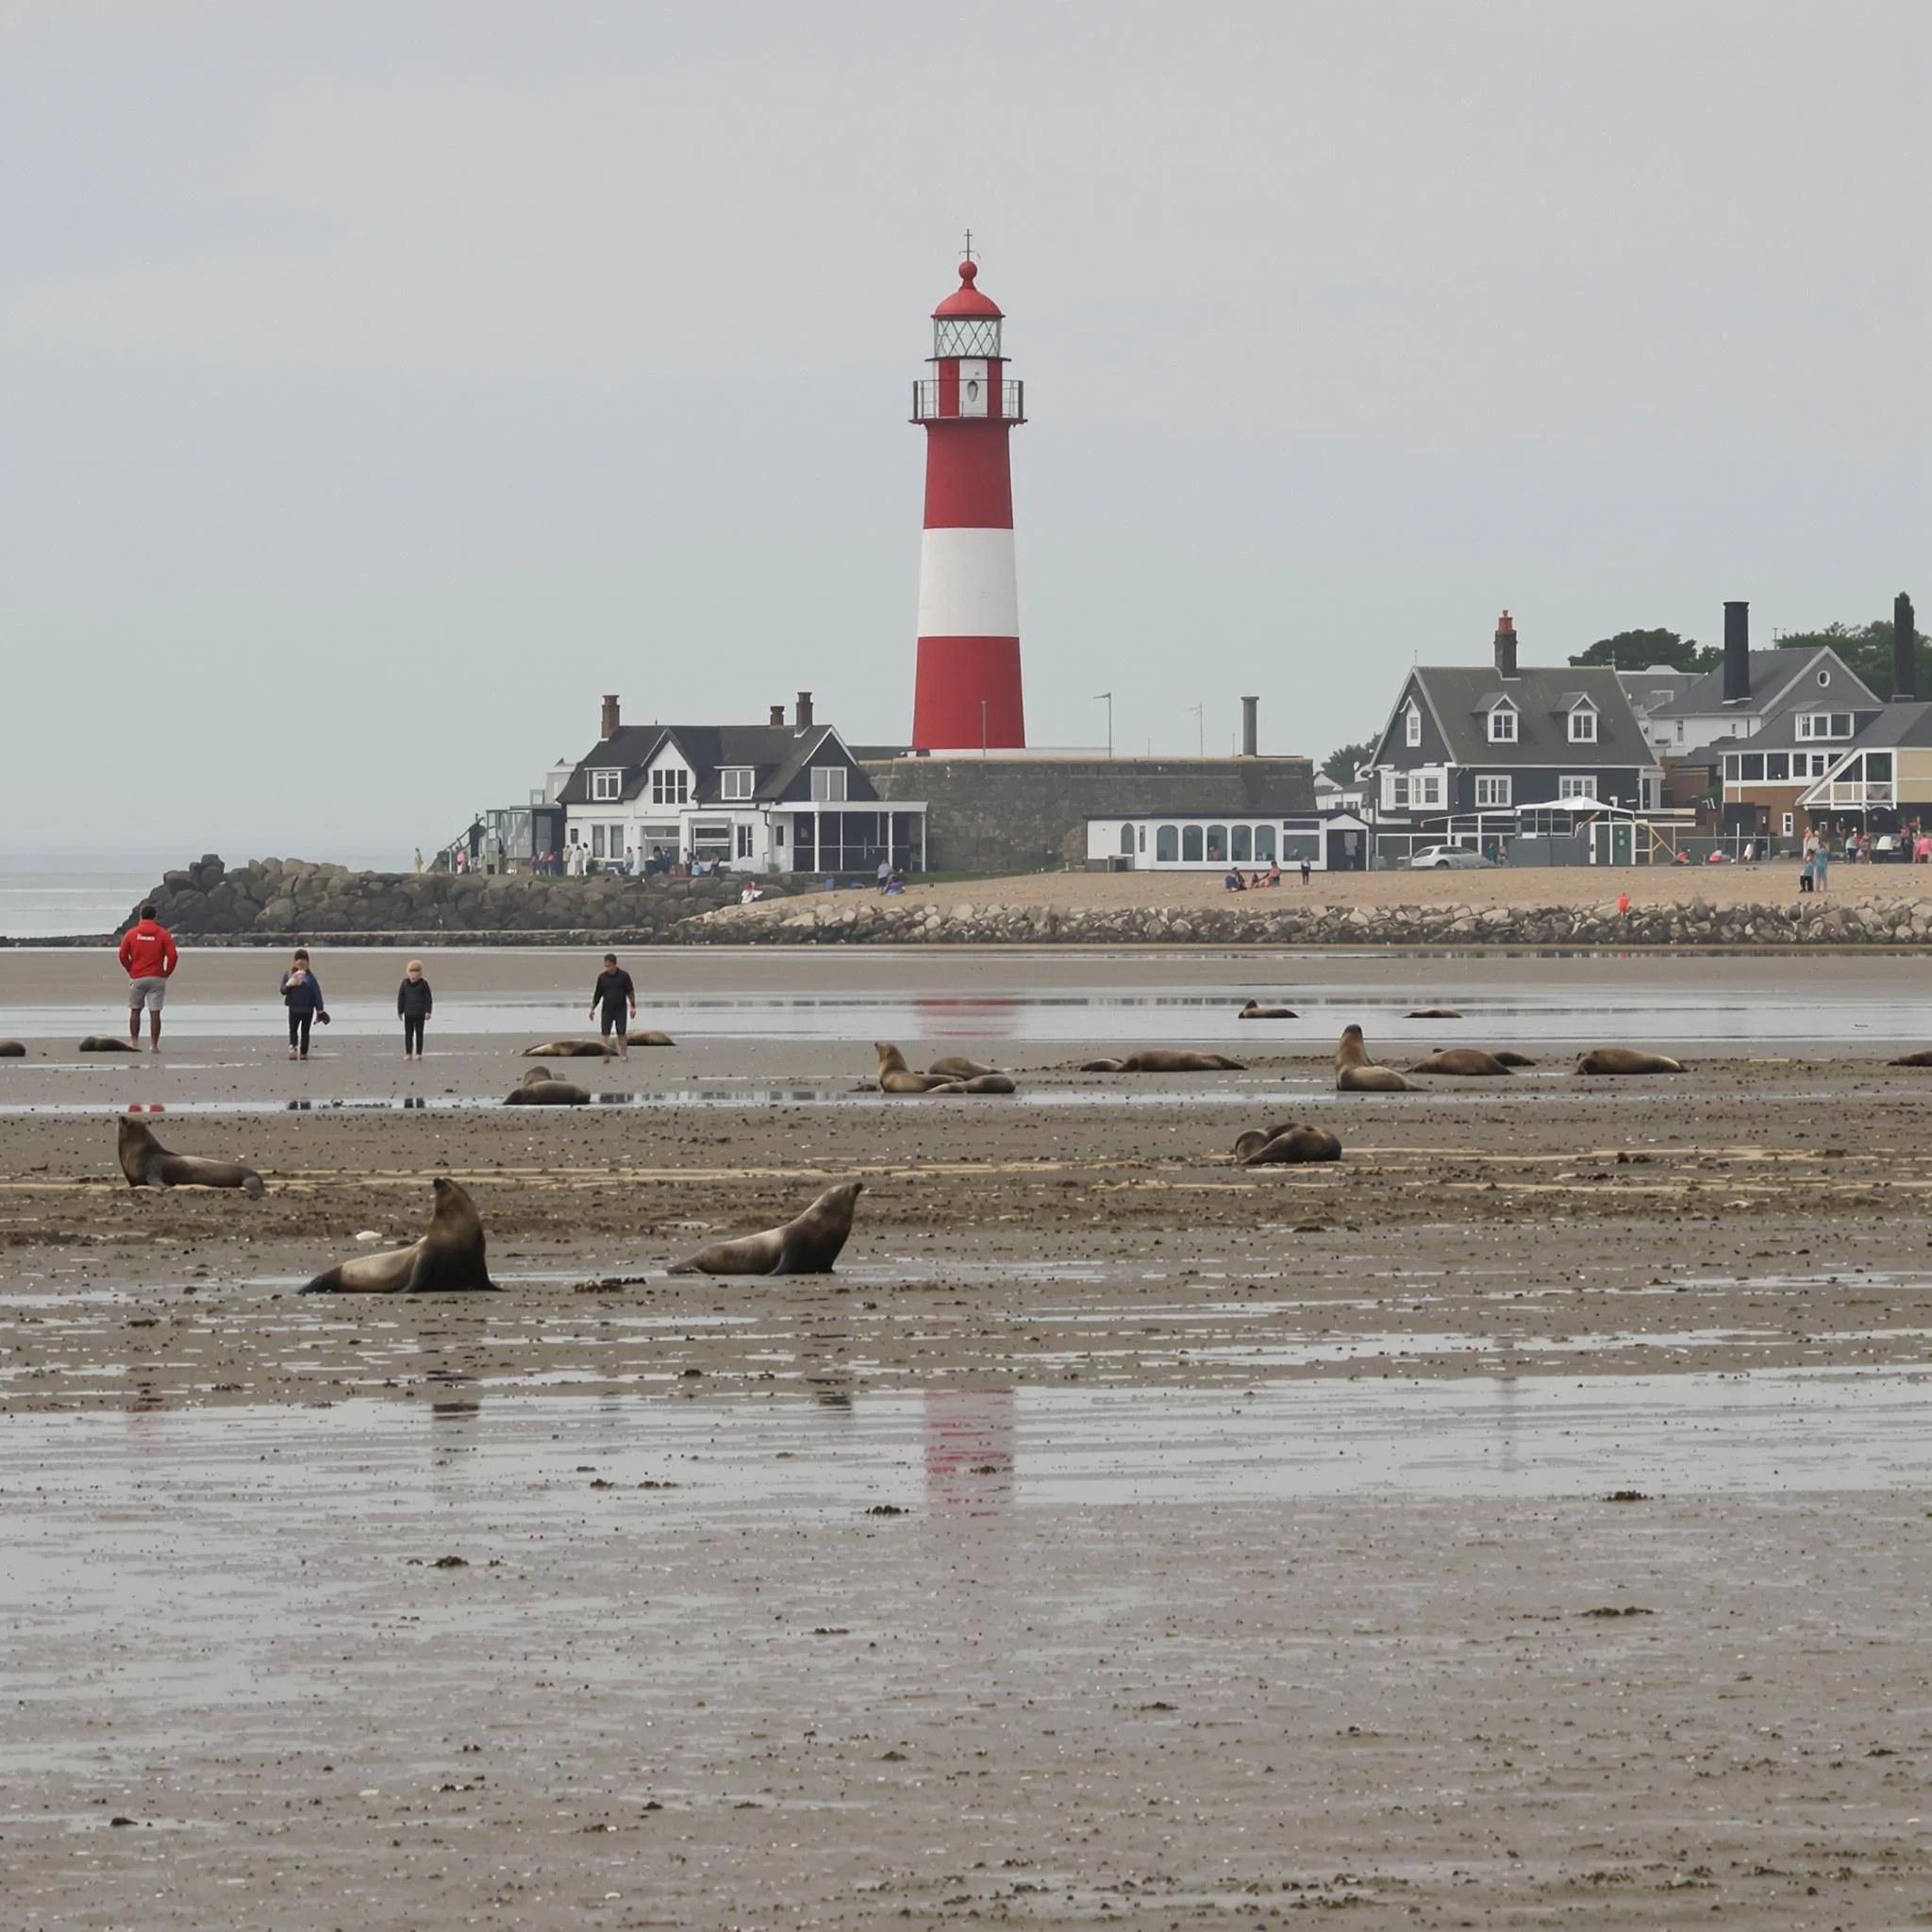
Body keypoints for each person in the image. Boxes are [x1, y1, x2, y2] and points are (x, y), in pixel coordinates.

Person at [117, 904, 178, 1053]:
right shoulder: (163, 934)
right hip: (157, 977)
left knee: (135, 1010)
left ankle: (134, 1041)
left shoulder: (131, 934)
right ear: (155, 917)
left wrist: (130, 969)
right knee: (155, 1012)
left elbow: (122, 955)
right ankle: (154, 1045)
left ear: (141, 917)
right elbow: (173, 956)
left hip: (137, 976)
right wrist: (166, 972)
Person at [279, 949, 329, 1061]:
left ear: (308, 962)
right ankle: (293, 1049)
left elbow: (317, 993)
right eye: (298, 959)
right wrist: (290, 984)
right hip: (294, 1008)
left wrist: (320, 1009)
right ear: (295, 961)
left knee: (305, 1032)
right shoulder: (288, 974)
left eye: (304, 959)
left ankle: (303, 1052)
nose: (301, 962)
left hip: (308, 1010)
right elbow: (283, 991)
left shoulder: (310, 977)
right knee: (293, 1030)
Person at [589, 952, 637, 1058]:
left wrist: (633, 1007)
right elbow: (597, 994)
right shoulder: (602, 977)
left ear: (615, 964)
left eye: (609, 966)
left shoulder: (624, 976)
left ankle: (624, 1054)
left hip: (620, 1009)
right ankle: (606, 1055)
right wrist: (592, 1009)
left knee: (621, 1033)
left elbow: (630, 991)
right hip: (607, 1009)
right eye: (606, 966)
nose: (608, 968)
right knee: (605, 1033)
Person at [397, 958, 432, 1059]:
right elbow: (401, 998)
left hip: (420, 1013)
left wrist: (428, 1011)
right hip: (408, 1013)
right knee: (408, 1034)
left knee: (419, 1034)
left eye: (416, 972)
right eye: (411, 972)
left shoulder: (424, 984)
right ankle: (408, 1053)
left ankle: (419, 1053)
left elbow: (428, 999)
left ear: (420, 973)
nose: (414, 975)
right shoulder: (404, 983)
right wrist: (400, 1011)